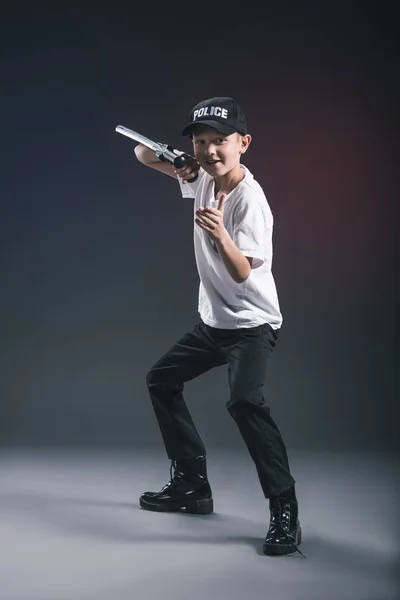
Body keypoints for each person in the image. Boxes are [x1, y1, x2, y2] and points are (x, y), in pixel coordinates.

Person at [133, 96, 304, 557]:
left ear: (243, 143)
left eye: (220, 142)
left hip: (251, 324)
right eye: (202, 142)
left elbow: (242, 273)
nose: (211, 151)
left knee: (245, 402)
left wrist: (221, 234)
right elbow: (140, 153)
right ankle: (191, 484)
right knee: (161, 380)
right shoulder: (201, 177)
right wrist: (177, 160)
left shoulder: (250, 200)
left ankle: (284, 509)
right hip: (214, 322)